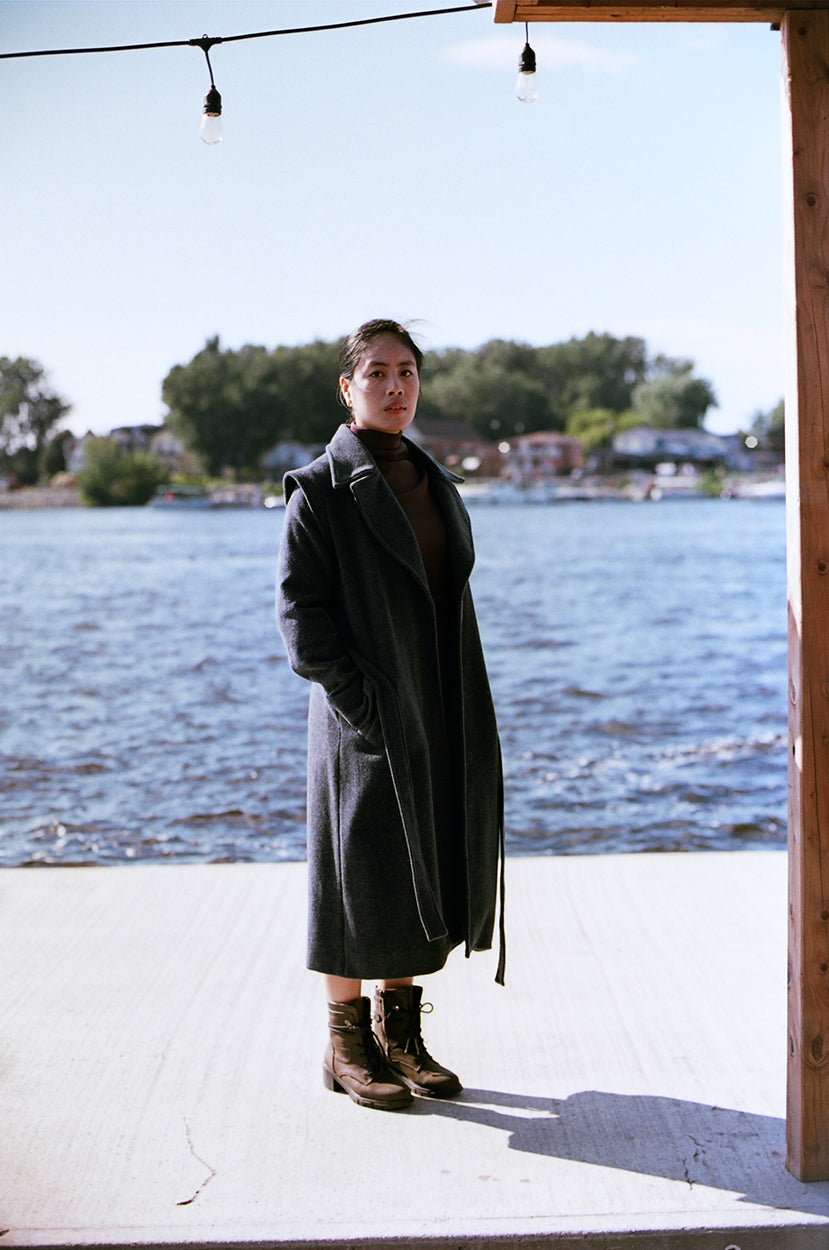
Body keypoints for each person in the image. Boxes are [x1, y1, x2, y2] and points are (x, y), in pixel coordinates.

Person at [276, 318, 504, 1112]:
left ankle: (398, 1036)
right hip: (361, 719)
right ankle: (345, 1046)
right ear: (347, 388)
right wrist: (362, 702)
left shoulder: (435, 480)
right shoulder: (319, 490)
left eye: (407, 371)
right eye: (376, 373)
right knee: (355, 874)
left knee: (413, 866)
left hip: (436, 704)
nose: (395, 386)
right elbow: (300, 615)